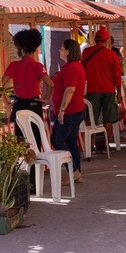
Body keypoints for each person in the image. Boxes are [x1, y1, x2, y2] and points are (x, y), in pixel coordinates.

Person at [3, 28, 53, 145]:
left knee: (19, 139)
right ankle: (35, 163)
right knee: (35, 139)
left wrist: (6, 100)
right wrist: (46, 98)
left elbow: (1, 84)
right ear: (35, 48)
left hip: (18, 104)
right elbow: (50, 84)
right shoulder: (37, 66)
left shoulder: (14, 66)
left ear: (21, 48)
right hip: (34, 105)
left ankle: (22, 162)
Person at [82, 26, 124, 148]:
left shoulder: (86, 52)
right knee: (108, 119)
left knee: (91, 120)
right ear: (106, 41)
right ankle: (105, 144)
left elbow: (83, 71)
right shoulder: (111, 55)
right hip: (108, 90)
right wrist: (119, 93)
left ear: (95, 40)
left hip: (92, 89)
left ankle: (90, 146)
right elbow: (117, 76)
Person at [51, 39, 86, 185]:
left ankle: (73, 171)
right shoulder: (75, 66)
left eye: (61, 48)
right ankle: (75, 172)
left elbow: (70, 89)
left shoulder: (71, 67)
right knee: (71, 141)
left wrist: (62, 110)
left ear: (68, 51)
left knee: (57, 140)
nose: (59, 50)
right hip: (76, 109)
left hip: (70, 111)